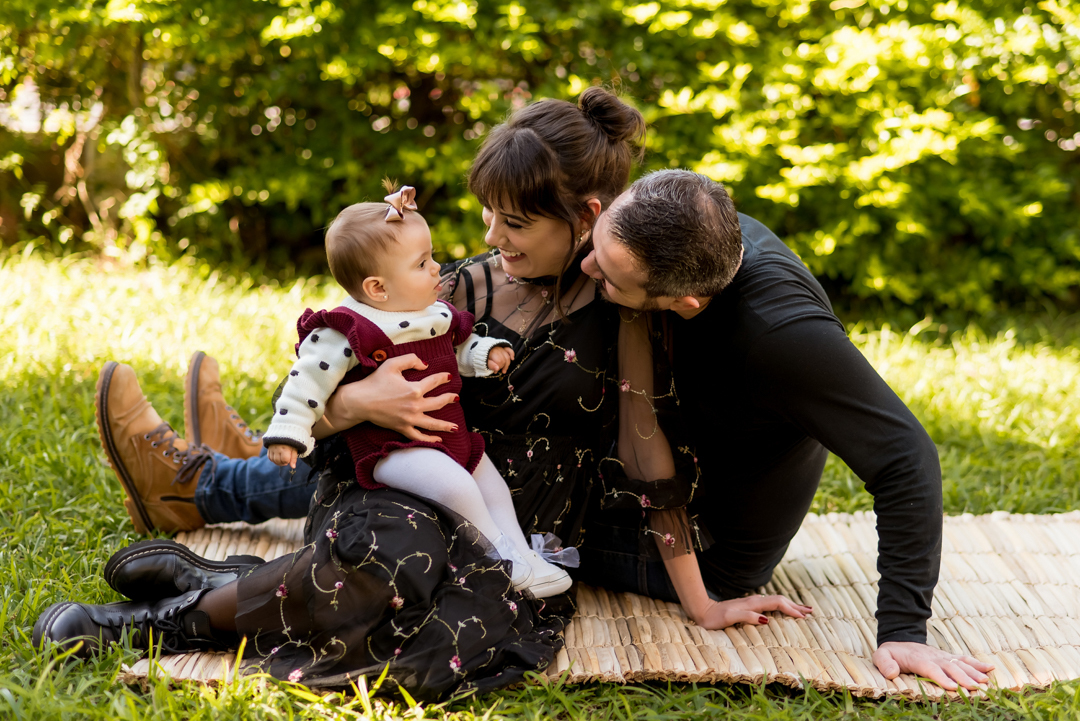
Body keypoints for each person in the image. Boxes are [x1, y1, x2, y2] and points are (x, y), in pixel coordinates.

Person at [36, 88, 809, 700]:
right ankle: (148, 626)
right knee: (391, 556)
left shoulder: (624, 311)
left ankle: (225, 579)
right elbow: (319, 377)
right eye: (487, 212)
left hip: (511, 533)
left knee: (441, 641)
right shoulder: (457, 284)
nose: (493, 234)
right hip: (397, 489)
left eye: (515, 221)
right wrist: (360, 404)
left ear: (586, 218)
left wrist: (702, 602)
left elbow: (646, 451)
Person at [577, 168, 995, 692]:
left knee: (512, 534)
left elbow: (905, 457)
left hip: (705, 552)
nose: (588, 264)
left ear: (687, 303)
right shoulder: (690, 229)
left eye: (610, 279)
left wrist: (904, 629)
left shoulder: (779, 334)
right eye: (596, 246)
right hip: (674, 470)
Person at [262, 183, 569, 597]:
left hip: (451, 438)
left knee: (492, 486)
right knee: (458, 489)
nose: (436, 269)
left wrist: (484, 353)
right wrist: (289, 432)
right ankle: (498, 558)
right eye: (422, 263)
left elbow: (456, 347)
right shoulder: (349, 328)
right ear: (378, 288)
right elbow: (306, 382)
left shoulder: (432, 313)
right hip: (395, 448)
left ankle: (522, 554)